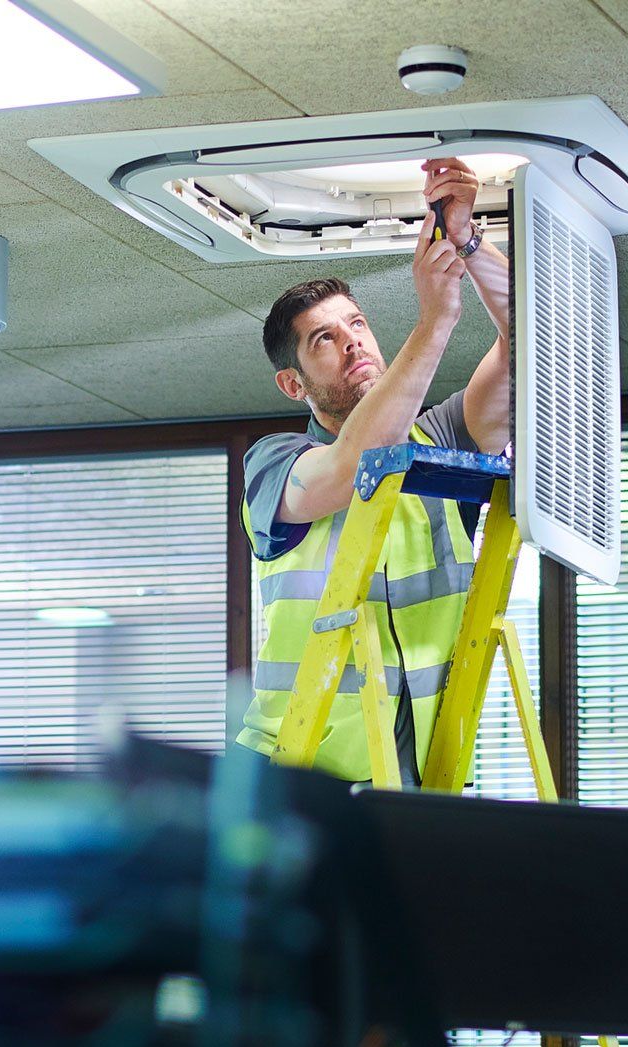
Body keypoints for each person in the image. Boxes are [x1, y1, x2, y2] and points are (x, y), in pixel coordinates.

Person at [236, 157, 514, 783]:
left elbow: (536, 341)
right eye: (324, 339)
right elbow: (354, 468)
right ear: (293, 384)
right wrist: (435, 322)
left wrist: (468, 241)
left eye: (357, 324)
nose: (353, 341)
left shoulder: (441, 441)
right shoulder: (274, 466)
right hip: (295, 777)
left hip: (419, 775)